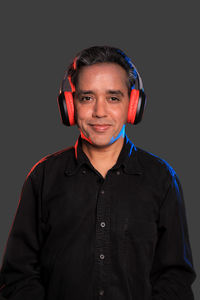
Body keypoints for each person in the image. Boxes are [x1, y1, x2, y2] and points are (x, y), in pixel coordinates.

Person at [0, 45, 196, 300]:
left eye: (113, 98)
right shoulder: (43, 177)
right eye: (87, 98)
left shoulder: (162, 179)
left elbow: (175, 278)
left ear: (133, 105)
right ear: (70, 106)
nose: (99, 112)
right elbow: (18, 275)